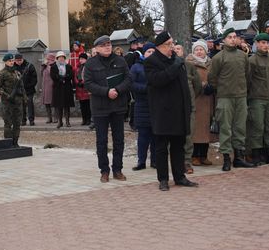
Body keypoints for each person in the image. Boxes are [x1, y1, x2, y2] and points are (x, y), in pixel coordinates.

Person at [144, 32, 198, 191]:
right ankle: (163, 179)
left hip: (179, 111)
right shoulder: (151, 62)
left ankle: (180, 176)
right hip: (163, 112)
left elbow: (185, 87)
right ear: (160, 46)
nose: (172, 47)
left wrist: (187, 107)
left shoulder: (177, 60)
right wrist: (175, 67)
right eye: (169, 44)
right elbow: (157, 80)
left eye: (172, 43)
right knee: (161, 147)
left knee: (178, 146)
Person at [84, 35, 131, 183]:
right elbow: (88, 83)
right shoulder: (91, 64)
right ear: (97, 48)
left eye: (109, 44)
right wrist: (106, 92)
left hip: (118, 105)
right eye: (103, 45)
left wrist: (117, 89)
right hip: (100, 107)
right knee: (101, 141)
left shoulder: (120, 60)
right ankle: (104, 170)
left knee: (119, 140)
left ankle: (118, 169)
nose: (107, 47)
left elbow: (128, 79)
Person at [209, 28, 255, 171]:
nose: (233, 39)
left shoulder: (243, 56)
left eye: (235, 37)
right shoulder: (218, 58)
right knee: (225, 129)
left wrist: (242, 89)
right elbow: (212, 78)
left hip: (241, 96)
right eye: (229, 37)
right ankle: (227, 158)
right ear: (224, 40)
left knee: (240, 127)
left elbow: (247, 75)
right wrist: (223, 89)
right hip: (225, 98)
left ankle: (239, 158)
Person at [247, 33, 269, 165]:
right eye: (263, 43)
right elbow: (248, 80)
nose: (266, 45)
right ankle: (256, 154)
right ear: (257, 44)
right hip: (257, 98)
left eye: (267, 43)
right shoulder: (252, 60)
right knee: (257, 126)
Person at [187, 39, 216, 167]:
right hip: (196, 99)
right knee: (196, 128)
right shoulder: (189, 63)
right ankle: (194, 156)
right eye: (196, 49)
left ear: (206, 51)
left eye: (201, 49)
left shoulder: (211, 63)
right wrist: (200, 85)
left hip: (208, 99)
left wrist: (212, 86)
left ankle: (203, 155)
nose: (199, 52)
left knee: (206, 128)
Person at [130, 42, 156, 170]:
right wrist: (146, 88)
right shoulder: (136, 67)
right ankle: (141, 161)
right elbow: (131, 84)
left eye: (153, 51)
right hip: (142, 104)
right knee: (143, 136)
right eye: (148, 52)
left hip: (156, 105)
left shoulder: (158, 66)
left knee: (156, 135)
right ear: (144, 53)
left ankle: (155, 160)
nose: (151, 54)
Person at [174, 42, 198, 173]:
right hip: (174, 108)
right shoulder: (168, 66)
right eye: (175, 48)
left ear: (183, 52)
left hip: (189, 107)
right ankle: (175, 162)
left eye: (179, 49)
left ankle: (187, 162)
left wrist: (192, 99)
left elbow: (197, 85)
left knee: (188, 135)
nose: (177, 51)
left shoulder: (189, 66)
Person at [0, 53, 26, 146]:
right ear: (5, 62)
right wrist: (6, 95)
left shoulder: (17, 73)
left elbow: (22, 87)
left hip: (18, 102)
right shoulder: (1, 74)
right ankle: (8, 143)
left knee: (17, 123)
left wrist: (24, 98)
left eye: (12, 61)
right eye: (9, 61)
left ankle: (15, 142)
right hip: (7, 103)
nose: (11, 62)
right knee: (8, 123)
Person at [50, 51, 74, 128]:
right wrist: (60, 79)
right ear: (57, 58)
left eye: (62, 57)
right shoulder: (53, 67)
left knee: (67, 106)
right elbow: (53, 76)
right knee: (59, 106)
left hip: (67, 87)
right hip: (58, 88)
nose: (61, 59)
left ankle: (67, 121)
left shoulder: (68, 66)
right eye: (60, 57)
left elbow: (70, 75)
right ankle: (60, 122)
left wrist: (64, 78)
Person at [14, 53, 37, 126]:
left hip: (29, 89)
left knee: (30, 104)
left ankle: (31, 120)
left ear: (22, 59)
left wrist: (29, 86)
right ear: (15, 60)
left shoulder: (29, 66)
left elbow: (34, 78)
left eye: (20, 60)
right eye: (17, 60)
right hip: (19, 90)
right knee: (21, 105)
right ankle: (23, 120)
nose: (19, 62)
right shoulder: (13, 67)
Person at [74, 53, 92, 126]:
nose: (81, 60)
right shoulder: (78, 67)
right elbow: (75, 76)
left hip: (86, 88)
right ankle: (84, 119)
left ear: (86, 59)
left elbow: (88, 76)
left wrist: (84, 82)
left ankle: (88, 119)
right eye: (80, 59)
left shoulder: (88, 67)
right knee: (82, 106)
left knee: (87, 105)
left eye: (82, 59)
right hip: (79, 89)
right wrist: (77, 82)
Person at [40, 53, 55, 123]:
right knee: (47, 103)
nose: (47, 60)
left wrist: (48, 66)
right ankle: (49, 118)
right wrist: (43, 66)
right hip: (45, 86)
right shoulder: (45, 66)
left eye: (48, 59)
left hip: (51, 86)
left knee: (53, 103)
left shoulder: (53, 65)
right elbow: (41, 74)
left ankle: (56, 118)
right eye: (47, 59)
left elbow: (52, 73)